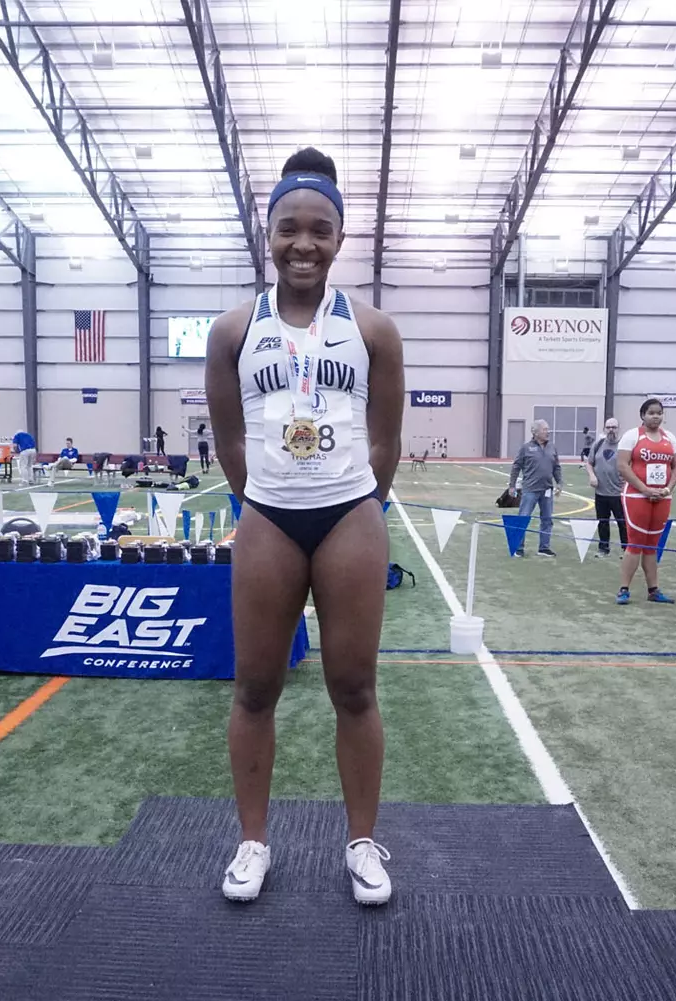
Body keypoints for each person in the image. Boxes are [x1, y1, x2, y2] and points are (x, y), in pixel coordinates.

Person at [205, 147, 404, 906]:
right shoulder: (232, 331)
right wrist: (262, 501)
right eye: (289, 227)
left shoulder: (375, 329)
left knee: (354, 688)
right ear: (269, 233)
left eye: (320, 229)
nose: (304, 244)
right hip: (268, 520)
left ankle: (361, 842)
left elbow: (385, 439)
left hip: (351, 513)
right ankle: (253, 841)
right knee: (255, 688)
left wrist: (362, 502)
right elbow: (228, 438)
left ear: (340, 238)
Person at [617, 399, 676, 604]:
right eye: (651, 413)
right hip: (636, 496)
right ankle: (624, 589)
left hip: (662, 497)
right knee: (635, 543)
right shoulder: (631, 436)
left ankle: (654, 590)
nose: (656, 417)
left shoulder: (670, 437)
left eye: (659, 413)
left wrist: (667, 489)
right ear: (642, 415)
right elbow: (623, 466)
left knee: (652, 546)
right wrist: (644, 489)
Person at [507, 420, 561, 558]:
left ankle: (544, 548)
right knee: (523, 518)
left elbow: (556, 467)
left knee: (547, 519)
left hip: (547, 489)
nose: (547, 432)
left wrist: (559, 483)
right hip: (530, 489)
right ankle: (518, 548)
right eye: (544, 429)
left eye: (548, 429)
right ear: (535, 432)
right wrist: (512, 485)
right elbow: (516, 466)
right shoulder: (526, 448)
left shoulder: (552, 448)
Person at [586, 418, 627, 556]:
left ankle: (626, 550)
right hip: (601, 493)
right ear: (604, 429)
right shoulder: (598, 445)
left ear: (618, 429)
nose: (611, 430)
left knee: (623, 523)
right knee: (602, 522)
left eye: (614, 427)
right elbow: (589, 463)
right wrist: (592, 476)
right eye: (608, 427)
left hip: (619, 493)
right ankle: (603, 548)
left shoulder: (624, 446)